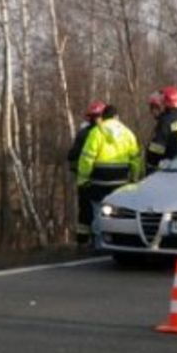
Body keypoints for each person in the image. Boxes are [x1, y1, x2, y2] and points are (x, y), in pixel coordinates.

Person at [76, 104, 142, 247]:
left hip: (99, 181)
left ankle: (100, 243)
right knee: (120, 213)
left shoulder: (96, 132)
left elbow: (87, 158)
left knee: (98, 212)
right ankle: (120, 243)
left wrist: (83, 178)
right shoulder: (127, 133)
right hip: (120, 181)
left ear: (103, 117)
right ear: (116, 117)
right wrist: (135, 179)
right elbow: (135, 159)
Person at [67, 100, 107, 246]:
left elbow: (72, 156)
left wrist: (77, 172)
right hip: (104, 180)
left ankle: (83, 242)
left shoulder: (84, 133)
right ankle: (99, 239)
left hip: (85, 180)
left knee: (85, 211)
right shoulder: (109, 133)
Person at [145, 85, 177, 174]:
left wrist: (149, 160)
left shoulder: (166, 122)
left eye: (162, 102)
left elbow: (157, 148)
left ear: (167, 104)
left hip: (165, 169)